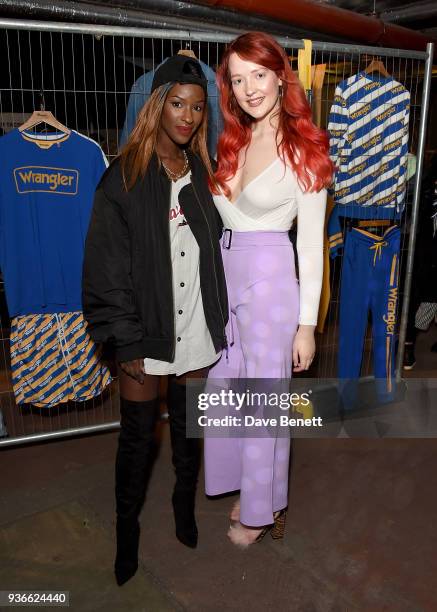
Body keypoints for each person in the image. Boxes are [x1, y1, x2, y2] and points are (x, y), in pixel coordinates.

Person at [82, 55, 228, 585]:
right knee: (138, 441)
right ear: (157, 103)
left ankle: (183, 506)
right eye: (177, 103)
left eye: (196, 107)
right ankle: (127, 530)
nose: (187, 116)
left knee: (189, 434)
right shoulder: (122, 177)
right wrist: (125, 340)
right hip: (144, 333)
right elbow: (105, 269)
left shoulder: (204, 175)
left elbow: (215, 254)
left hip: (195, 330)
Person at [204, 32, 333, 547]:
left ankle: (258, 513)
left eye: (258, 74)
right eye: (237, 79)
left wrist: (306, 325)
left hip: (271, 282)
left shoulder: (305, 146)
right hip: (225, 279)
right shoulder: (233, 139)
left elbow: (310, 247)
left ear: (281, 75)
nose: (248, 88)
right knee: (224, 393)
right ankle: (254, 489)